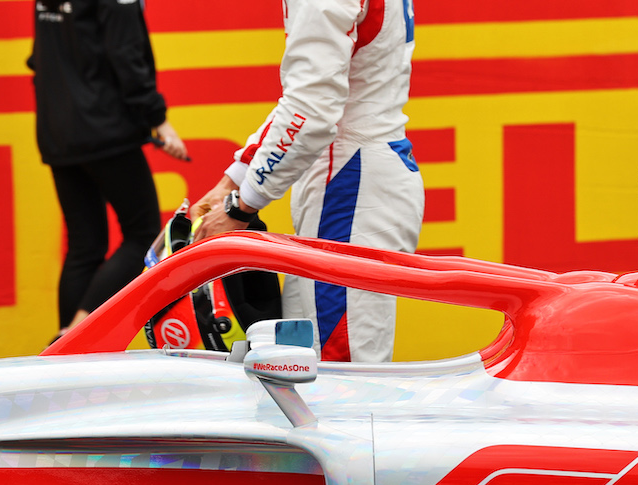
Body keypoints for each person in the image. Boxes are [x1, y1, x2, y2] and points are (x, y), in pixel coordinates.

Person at [191, 0, 422, 362]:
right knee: (300, 364)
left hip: (350, 184)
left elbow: (311, 108)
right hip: (354, 174)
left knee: (340, 379)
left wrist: (242, 205)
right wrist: (234, 180)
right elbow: (306, 100)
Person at [29, 0, 188, 337]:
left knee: (84, 245)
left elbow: (39, 57)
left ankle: (63, 347)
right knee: (144, 237)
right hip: (104, 129)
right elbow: (126, 53)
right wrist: (158, 120)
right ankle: (73, 333)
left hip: (57, 130)